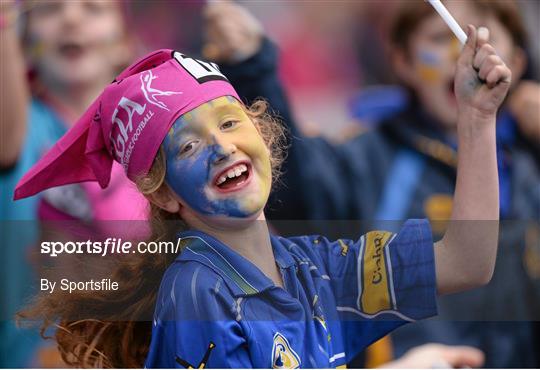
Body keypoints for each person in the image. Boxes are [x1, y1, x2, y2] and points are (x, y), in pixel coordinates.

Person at [13, 18, 510, 367]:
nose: (220, 147)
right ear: (164, 196)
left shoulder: (315, 267)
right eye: (188, 147)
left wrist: (476, 118)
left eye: (229, 122)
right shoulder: (198, 293)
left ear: (263, 135)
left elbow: (466, 261)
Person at [207, 0, 540, 367]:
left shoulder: (529, 159)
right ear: (402, 62)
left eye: (483, 37)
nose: (460, 54)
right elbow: (295, 189)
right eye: (437, 37)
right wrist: (254, 66)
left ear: (519, 62)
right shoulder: (365, 159)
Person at [0, 1, 147, 367]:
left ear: (123, 42)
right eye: (49, 9)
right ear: (24, 41)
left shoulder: (151, 142)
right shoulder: (20, 130)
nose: (71, 18)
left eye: (93, 8)